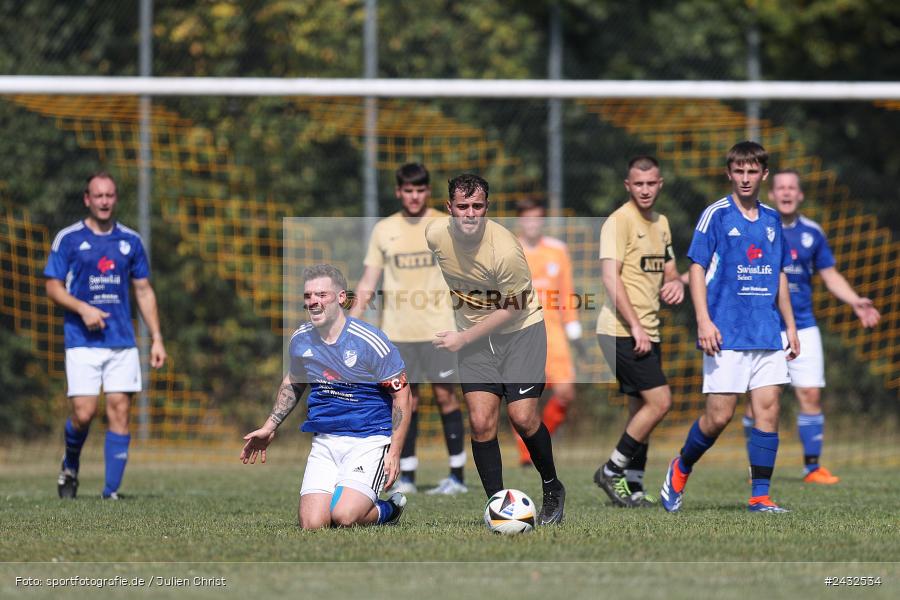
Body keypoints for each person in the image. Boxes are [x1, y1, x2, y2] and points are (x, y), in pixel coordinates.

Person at [659, 141, 800, 513]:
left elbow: (779, 274)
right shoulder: (716, 215)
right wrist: (703, 321)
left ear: (764, 174)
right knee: (718, 417)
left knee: (768, 410)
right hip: (726, 332)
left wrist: (790, 326)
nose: (745, 178)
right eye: (739, 171)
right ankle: (681, 466)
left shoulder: (772, 220)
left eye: (752, 171)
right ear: (729, 173)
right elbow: (697, 268)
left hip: (766, 331)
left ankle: (760, 497)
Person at [425, 173, 566, 525]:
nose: (470, 214)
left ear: (487, 207)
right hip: (475, 339)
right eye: (463, 207)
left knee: (522, 418)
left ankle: (553, 488)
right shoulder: (435, 235)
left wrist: (462, 338)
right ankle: (498, 508)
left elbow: (514, 307)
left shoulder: (504, 249)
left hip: (521, 332)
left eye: (477, 206)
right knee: (481, 422)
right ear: (449, 208)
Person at [241, 264, 413, 529]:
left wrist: (395, 451)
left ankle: (388, 509)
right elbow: (294, 381)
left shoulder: (369, 341)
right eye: (308, 296)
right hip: (325, 442)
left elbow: (402, 395)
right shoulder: (301, 339)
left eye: (322, 294)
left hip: (368, 440)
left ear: (341, 298)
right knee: (312, 524)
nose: (313, 301)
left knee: (344, 516)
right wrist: (269, 427)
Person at [742, 169, 881, 484]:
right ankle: (756, 468)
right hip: (764, 326)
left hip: (803, 326)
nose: (786, 192)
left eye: (792, 188)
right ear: (772, 194)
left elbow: (830, 275)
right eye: (781, 188)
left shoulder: (812, 233)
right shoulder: (757, 227)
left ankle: (812, 468)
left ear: (800, 195)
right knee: (758, 401)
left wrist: (855, 301)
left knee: (810, 394)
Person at [45, 171, 167, 500]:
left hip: (121, 341)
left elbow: (143, 290)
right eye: (98, 196)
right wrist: (83, 309)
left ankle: (110, 492)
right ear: (87, 199)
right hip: (81, 341)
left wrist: (156, 337)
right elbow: (53, 287)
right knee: (83, 413)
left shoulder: (130, 241)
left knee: (119, 411)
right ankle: (70, 464)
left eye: (109, 195)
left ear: (116, 199)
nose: (104, 201)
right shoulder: (68, 238)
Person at [350, 163, 467, 496]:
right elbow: (369, 280)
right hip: (397, 333)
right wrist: (350, 324)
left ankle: (457, 477)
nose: (414, 196)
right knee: (405, 402)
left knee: (446, 397)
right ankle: (407, 476)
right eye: (408, 190)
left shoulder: (444, 225)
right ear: (398, 192)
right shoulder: (384, 229)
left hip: (438, 330)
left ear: (427, 191)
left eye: (420, 190)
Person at [594, 156, 684, 508]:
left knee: (641, 410)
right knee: (660, 401)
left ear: (660, 184)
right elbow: (610, 278)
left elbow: (670, 269)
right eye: (638, 184)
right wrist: (635, 326)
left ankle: (632, 486)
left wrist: (675, 283)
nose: (645, 190)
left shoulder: (662, 223)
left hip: (648, 331)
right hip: (620, 331)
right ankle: (611, 470)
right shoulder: (619, 222)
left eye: (651, 184)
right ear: (628, 186)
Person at [513, 198, 586, 466]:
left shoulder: (557, 250)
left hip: (553, 333)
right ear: (520, 220)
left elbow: (566, 293)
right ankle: (526, 454)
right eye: (527, 217)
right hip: (520, 334)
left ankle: (537, 441)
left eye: (537, 217)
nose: (532, 223)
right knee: (522, 400)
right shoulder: (510, 251)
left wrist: (574, 330)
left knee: (566, 392)